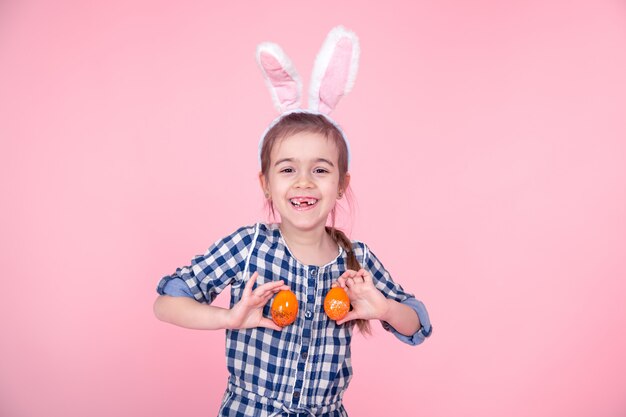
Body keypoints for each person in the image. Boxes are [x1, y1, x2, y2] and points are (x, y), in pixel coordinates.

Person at [153, 27, 432, 417]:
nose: (303, 181)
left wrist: (384, 309)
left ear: (340, 185)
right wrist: (228, 318)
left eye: (320, 169)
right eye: (287, 169)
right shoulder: (248, 246)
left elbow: (416, 324)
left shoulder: (357, 261)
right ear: (266, 184)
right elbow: (167, 303)